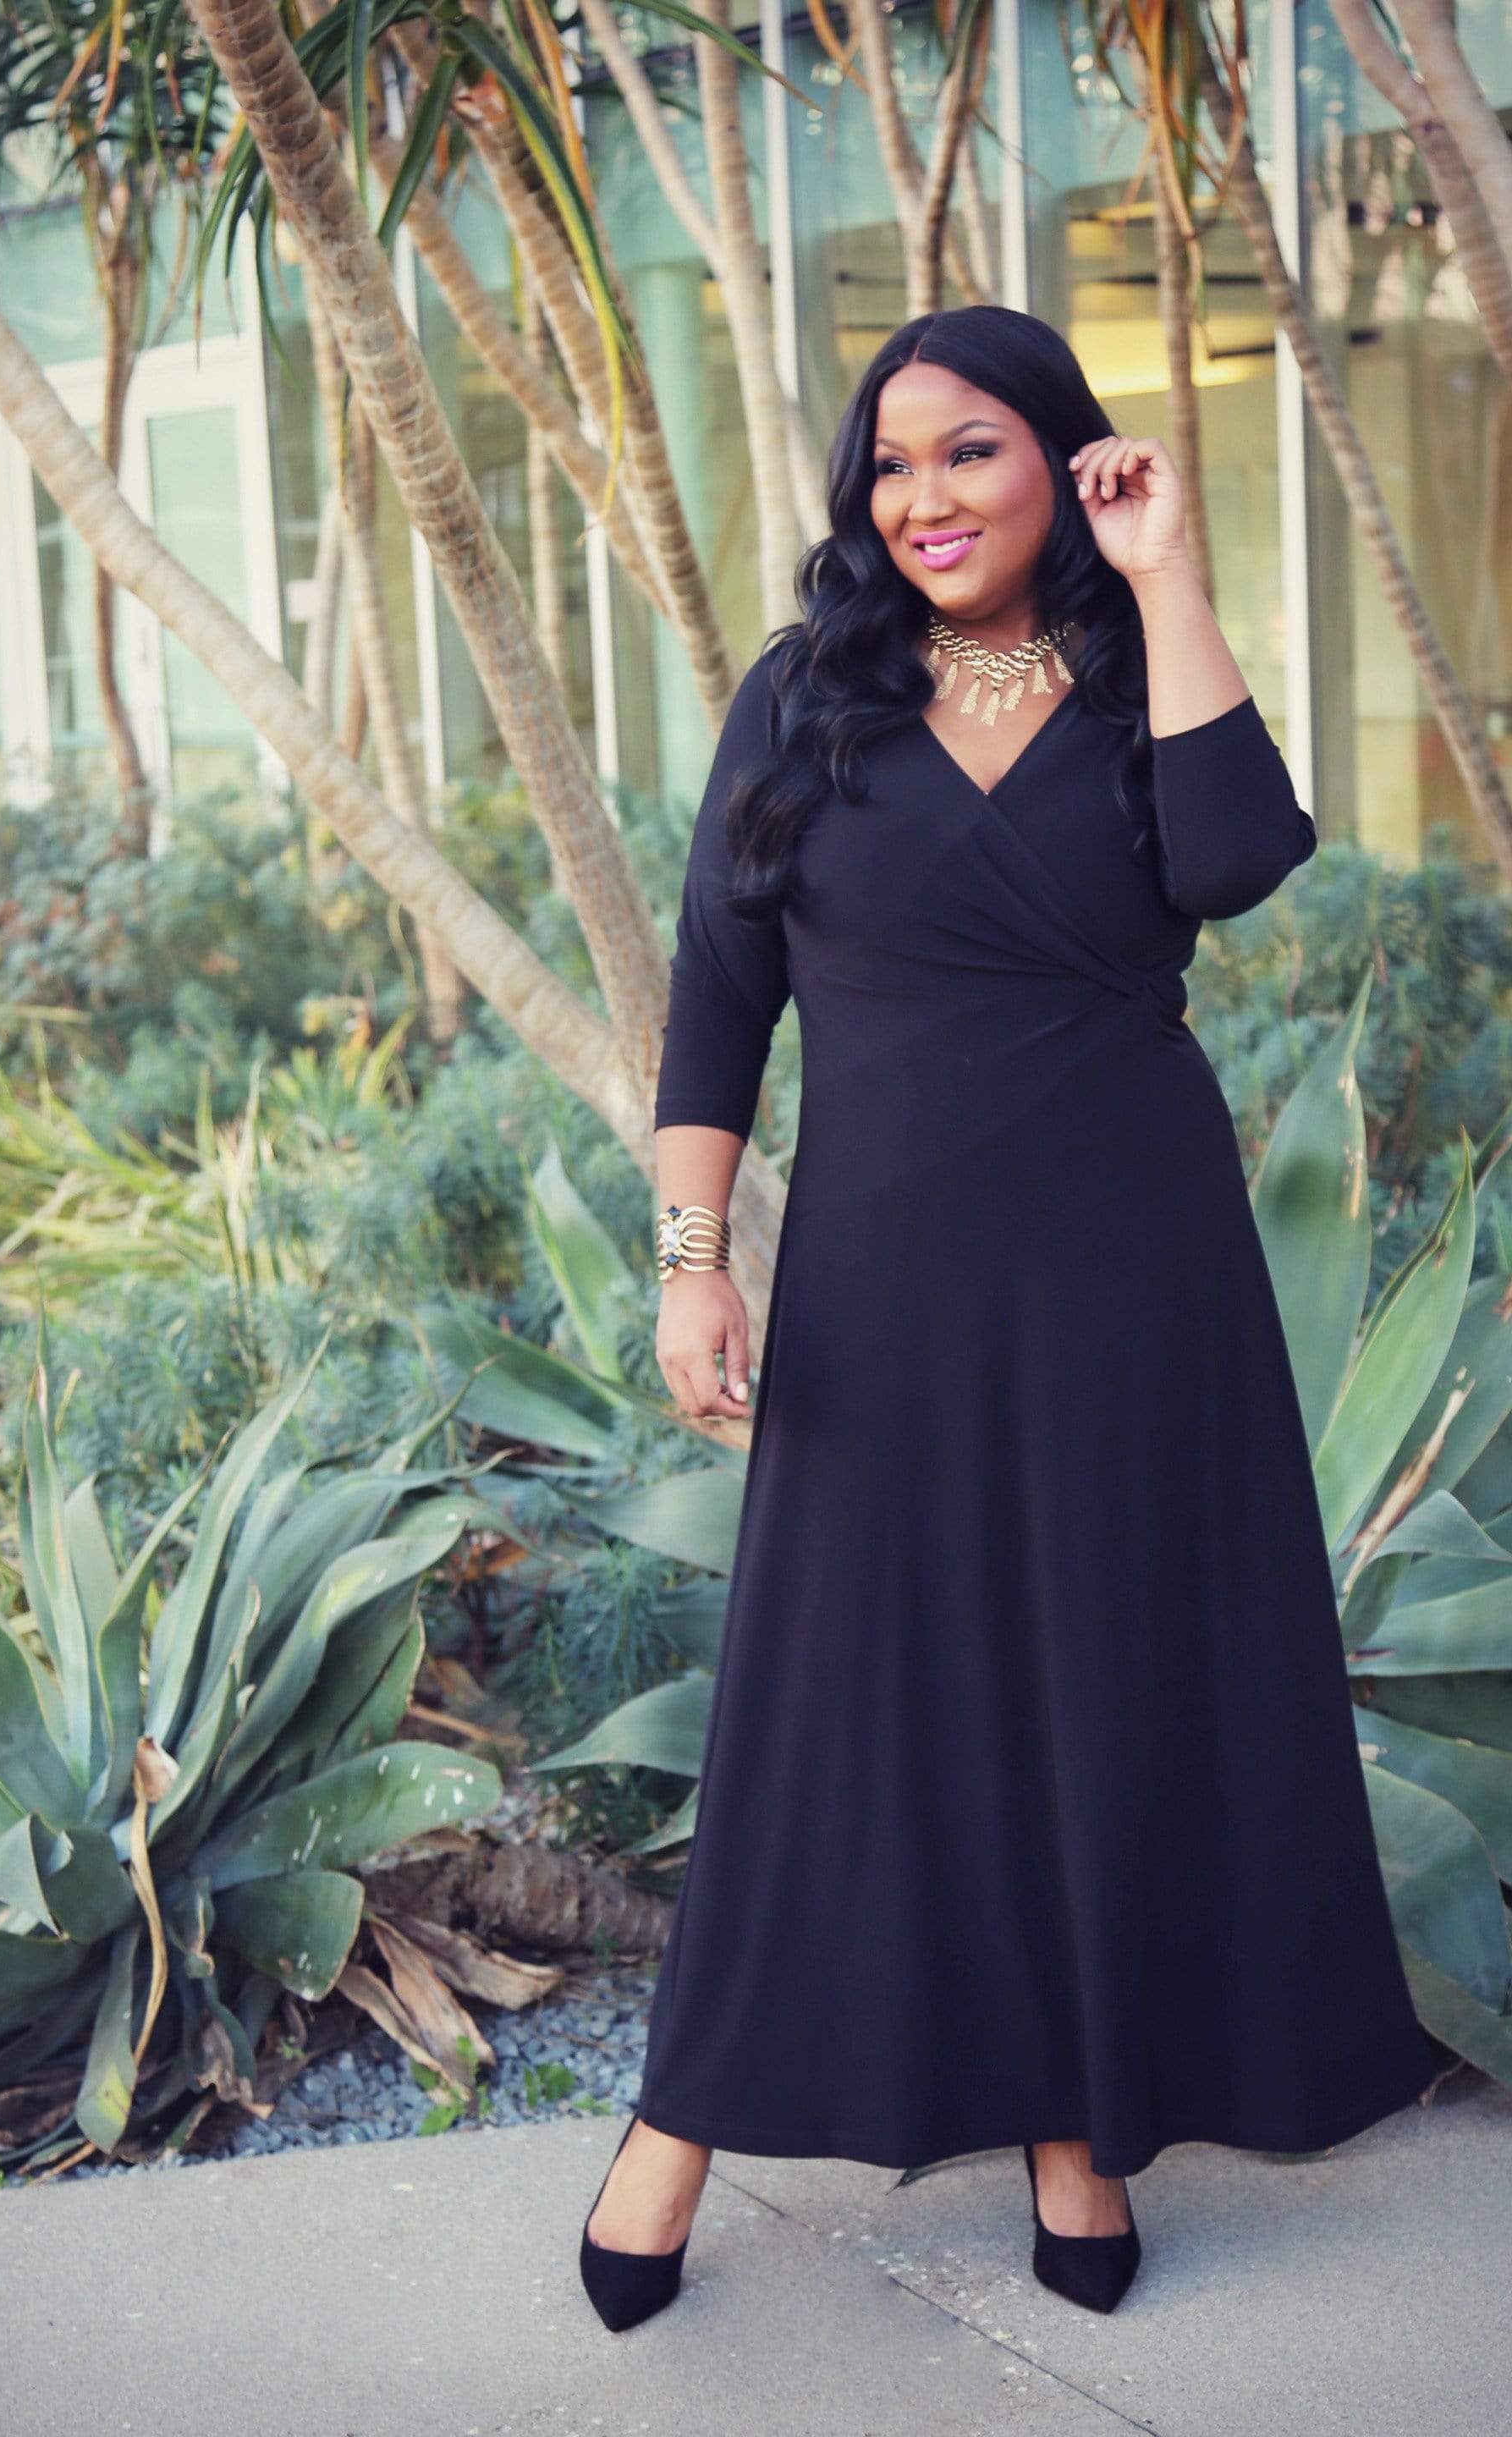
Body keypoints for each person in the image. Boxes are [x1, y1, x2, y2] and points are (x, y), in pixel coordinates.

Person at [577, 305, 1439, 2331]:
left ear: (1067, 460)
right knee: (825, 1716)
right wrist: (697, 1263)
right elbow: (717, 990)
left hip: (1138, 1281)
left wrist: (1176, 577)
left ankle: (1078, 2129)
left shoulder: (1150, 673)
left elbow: (1237, 865)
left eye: (971, 451)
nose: (925, 497)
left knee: (1099, 1697)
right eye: (891, 463)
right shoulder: (810, 699)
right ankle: (671, 2131)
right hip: (883, 1289)